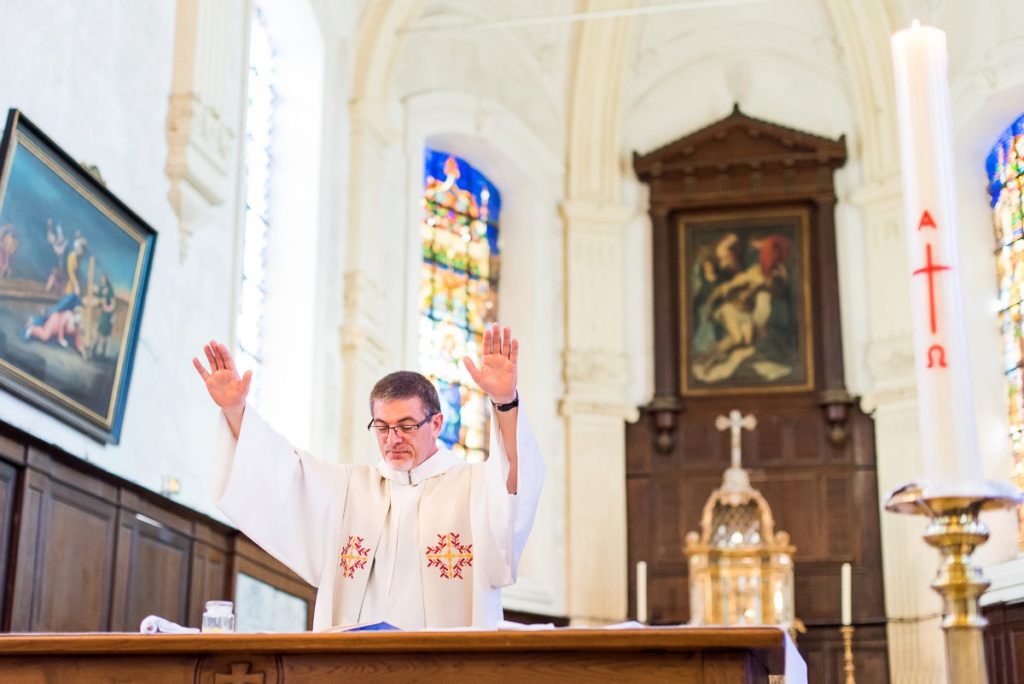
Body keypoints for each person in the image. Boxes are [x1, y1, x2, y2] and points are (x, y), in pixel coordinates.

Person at [192, 323, 543, 631]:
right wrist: (235, 410)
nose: (392, 440)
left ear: (436, 424)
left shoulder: (471, 488)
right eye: (382, 427)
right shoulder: (348, 490)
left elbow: (512, 483)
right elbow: (279, 470)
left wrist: (504, 402)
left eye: (406, 426)